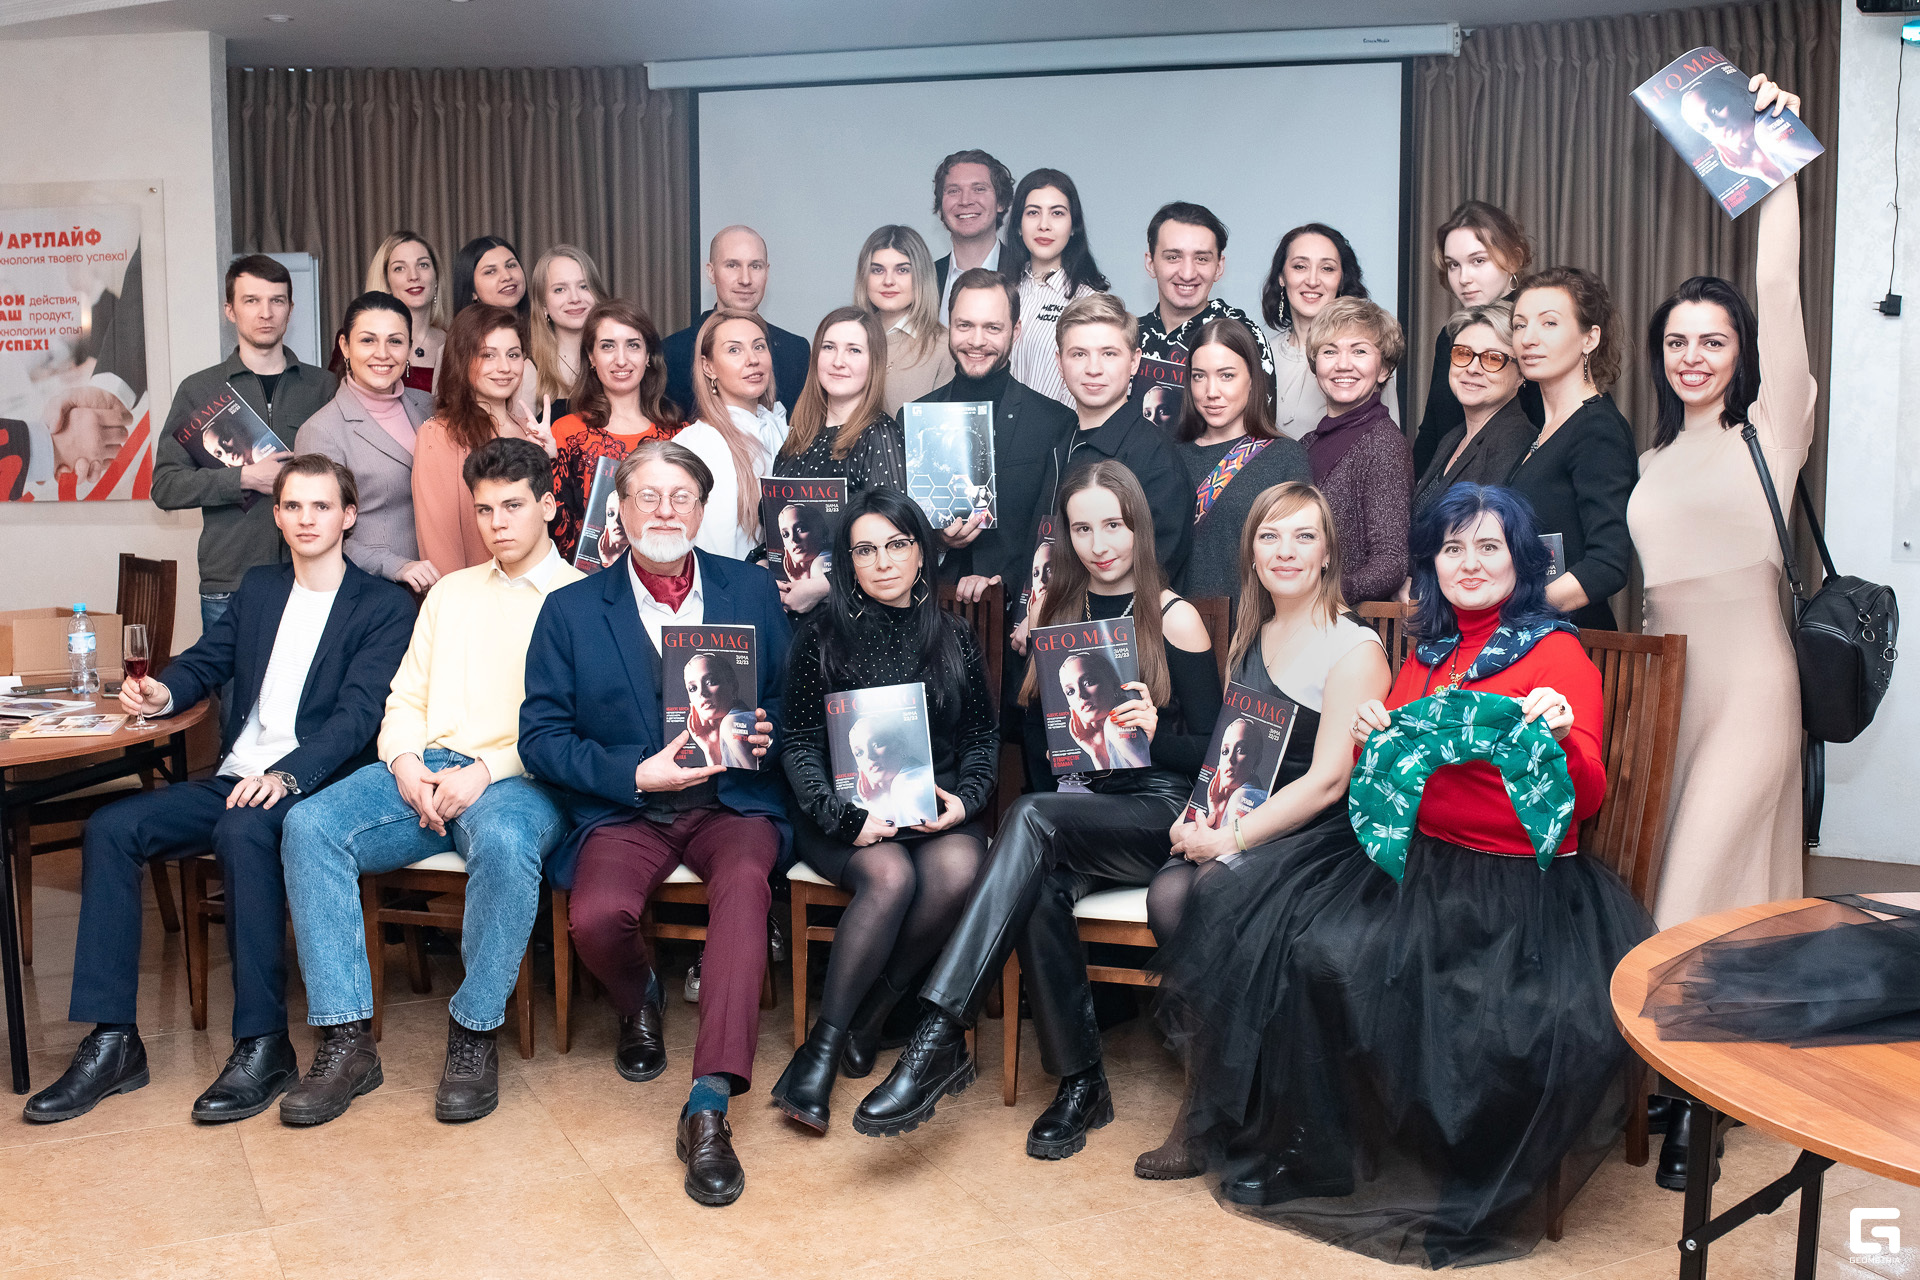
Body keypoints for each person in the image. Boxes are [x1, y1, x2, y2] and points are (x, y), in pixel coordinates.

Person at [1152, 483, 1651, 1266]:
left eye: (1488, 547)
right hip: (1421, 863)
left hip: (1515, 884)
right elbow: (1389, 778)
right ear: (1432, 566)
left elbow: (1584, 797)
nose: (1469, 563)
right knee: (1311, 949)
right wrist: (1372, 735)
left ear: (1521, 560)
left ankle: (1443, 1174)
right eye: (1452, 549)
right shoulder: (1427, 654)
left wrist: (1558, 739)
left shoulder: (1556, 653)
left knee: (1416, 979)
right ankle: (1319, 1152)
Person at [24, 456, 412, 1126]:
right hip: (236, 777)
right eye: (294, 506)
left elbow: (356, 719)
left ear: (348, 516)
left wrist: (285, 776)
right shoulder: (260, 588)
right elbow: (207, 660)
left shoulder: (382, 606)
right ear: (277, 515)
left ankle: (264, 1043)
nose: (307, 519)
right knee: (111, 827)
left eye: (322, 506)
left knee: (243, 828)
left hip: (313, 786)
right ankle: (114, 1042)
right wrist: (163, 691)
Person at [855, 461, 1219, 1163]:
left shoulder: (1174, 616)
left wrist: (1154, 735)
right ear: (1064, 537)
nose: (1099, 544)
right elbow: (1037, 736)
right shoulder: (1058, 612)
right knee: (1038, 883)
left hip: (1161, 811)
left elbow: (1213, 752)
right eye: (1082, 529)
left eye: (1113, 525)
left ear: (1139, 526)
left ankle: (936, 1037)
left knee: (1028, 819)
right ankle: (1082, 1083)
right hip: (1082, 814)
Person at [276, 438, 583, 1126]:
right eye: (485, 509)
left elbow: (572, 727)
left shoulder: (581, 600)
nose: (497, 523)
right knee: (308, 825)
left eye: (513, 506)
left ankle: (474, 1033)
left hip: (522, 777)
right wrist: (404, 762)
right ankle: (347, 1040)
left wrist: (487, 771)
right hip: (427, 767)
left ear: (548, 506)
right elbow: (406, 695)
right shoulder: (450, 592)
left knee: (505, 844)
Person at [520, 439, 791, 1208]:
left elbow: (788, 701)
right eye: (648, 496)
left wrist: (765, 731)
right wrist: (636, 773)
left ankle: (708, 1103)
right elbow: (540, 738)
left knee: (746, 887)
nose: (665, 511)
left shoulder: (750, 590)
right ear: (620, 510)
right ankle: (639, 994)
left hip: (732, 804)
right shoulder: (570, 610)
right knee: (595, 917)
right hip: (629, 806)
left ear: (701, 512)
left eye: (681, 498)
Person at [1133, 480, 1390, 1177]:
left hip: (1323, 836)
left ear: (1328, 553)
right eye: (1270, 536)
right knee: (1168, 892)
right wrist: (1200, 814)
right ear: (1251, 550)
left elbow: (1329, 781)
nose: (1286, 551)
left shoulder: (1355, 648)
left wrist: (1230, 840)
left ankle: (1207, 1115)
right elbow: (1235, 754)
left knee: (1213, 891)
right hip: (1252, 812)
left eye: (1304, 536)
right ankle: (1226, 1083)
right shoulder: (1257, 630)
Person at [1632, 84, 1815, 937]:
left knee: (1690, 901)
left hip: (1751, 692)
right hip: (1671, 694)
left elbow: (1776, 282)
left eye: (1714, 340)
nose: (1693, 357)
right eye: (1677, 342)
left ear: (1743, 352)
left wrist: (1776, 161)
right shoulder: (1651, 460)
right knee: (1672, 888)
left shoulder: (1773, 433)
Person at [770, 488, 997, 1130]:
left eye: (897, 544)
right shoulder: (819, 637)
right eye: (865, 550)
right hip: (838, 815)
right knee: (891, 876)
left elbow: (982, 737)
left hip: (931, 809)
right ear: (848, 562)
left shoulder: (954, 636)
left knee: (959, 870)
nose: (883, 561)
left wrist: (965, 802)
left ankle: (873, 1013)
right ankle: (822, 1049)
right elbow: (798, 744)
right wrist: (844, 818)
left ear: (922, 553)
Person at [153, 254, 334, 634]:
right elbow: (165, 487)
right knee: (232, 678)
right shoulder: (199, 389)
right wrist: (243, 478)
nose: (265, 313)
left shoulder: (323, 387)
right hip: (231, 582)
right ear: (230, 311)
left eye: (277, 300)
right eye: (251, 300)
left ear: (290, 309)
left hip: (314, 577)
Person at [916, 270, 1076, 632]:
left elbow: (1055, 533)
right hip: (930, 621)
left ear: (1015, 331)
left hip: (1014, 623)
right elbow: (902, 529)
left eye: (992, 327)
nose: (977, 341)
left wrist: (1005, 583)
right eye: (965, 325)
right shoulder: (917, 417)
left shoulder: (1053, 422)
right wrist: (938, 541)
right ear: (950, 326)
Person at [1507, 267, 1637, 629]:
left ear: (1589, 338)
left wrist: (1511, 615)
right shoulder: (1545, 427)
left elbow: (1607, 564)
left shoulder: (1597, 428)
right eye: (1519, 325)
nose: (1528, 339)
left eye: (1549, 323)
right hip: (1534, 634)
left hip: (1572, 639)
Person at [296, 291, 439, 591]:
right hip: (373, 588)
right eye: (368, 340)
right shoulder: (321, 430)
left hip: (439, 582)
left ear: (409, 347)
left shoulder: (428, 406)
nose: (382, 353)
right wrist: (395, 566)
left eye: (395, 341)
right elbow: (320, 529)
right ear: (345, 346)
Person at [774, 307, 908, 607]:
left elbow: (893, 543)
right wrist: (761, 566)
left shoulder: (879, 434)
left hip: (851, 615)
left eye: (854, 350)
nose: (838, 361)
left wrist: (824, 586)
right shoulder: (799, 435)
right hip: (789, 613)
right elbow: (773, 530)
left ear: (875, 363)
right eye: (829, 347)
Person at [1174, 317, 1311, 609]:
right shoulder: (1170, 457)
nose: (1211, 391)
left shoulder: (1285, 457)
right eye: (1199, 376)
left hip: (1256, 623)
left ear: (1252, 380)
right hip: (1178, 623)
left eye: (1226, 375)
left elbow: (1301, 557)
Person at [411, 304, 557, 577]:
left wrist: (550, 459)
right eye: (488, 355)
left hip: (537, 588)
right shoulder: (440, 434)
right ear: (462, 360)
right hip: (477, 593)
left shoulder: (531, 430)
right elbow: (440, 543)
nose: (505, 367)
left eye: (513, 354)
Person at [1411, 202, 1545, 474]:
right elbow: (1434, 429)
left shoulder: (1536, 332)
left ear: (1513, 259)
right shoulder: (1451, 335)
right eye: (1453, 265)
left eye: (1478, 261)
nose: (1463, 278)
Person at [1298, 298, 1413, 603]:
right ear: (1315, 365)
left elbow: (1390, 563)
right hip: (1301, 616)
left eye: (1359, 351)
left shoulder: (1384, 444)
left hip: (1343, 621)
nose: (1343, 364)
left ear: (1384, 369)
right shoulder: (1305, 445)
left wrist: (1320, 595)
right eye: (1330, 351)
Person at [550, 300, 680, 561]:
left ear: (648, 356)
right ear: (591, 357)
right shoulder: (565, 432)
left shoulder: (678, 434)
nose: (621, 360)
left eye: (633, 345)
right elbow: (554, 529)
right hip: (584, 578)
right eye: (608, 346)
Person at [1130, 203, 1273, 414]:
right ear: (1150, 263)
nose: (1187, 274)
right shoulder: (1128, 335)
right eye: (1173, 257)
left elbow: (1260, 428)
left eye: (1202, 259)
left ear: (1219, 267)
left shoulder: (1243, 335)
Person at [1261, 223, 1399, 439]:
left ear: (1341, 279)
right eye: (1300, 266)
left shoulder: (1366, 358)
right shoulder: (1260, 355)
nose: (1312, 281)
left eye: (1327, 268)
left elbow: (1386, 440)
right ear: (1281, 277)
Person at [677, 308, 790, 560]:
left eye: (759, 346)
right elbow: (709, 554)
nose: (752, 359)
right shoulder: (697, 445)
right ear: (708, 367)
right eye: (734, 350)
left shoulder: (781, 430)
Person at [1410, 301, 1538, 521]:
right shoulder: (1453, 438)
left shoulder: (1517, 443)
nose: (1472, 368)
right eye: (1463, 353)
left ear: (1520, 375)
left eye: (1493, 358)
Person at [662, 226, 810, 416]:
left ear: (766, 272)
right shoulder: (672, 352)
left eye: (755, 266)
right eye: (732, 265)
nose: (745, 279)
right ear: (711, 273)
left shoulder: (796, 351)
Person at [1002, 168, 1108, 406]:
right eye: (1033, 212)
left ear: (1073, 227)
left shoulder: (1090, 302)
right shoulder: (1002, 292)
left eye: (1057, 213)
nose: (1044, 225)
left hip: (1062, 427)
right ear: (1018, 225)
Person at [853, 225, 954, 411]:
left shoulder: (944, 347)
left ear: (921, 276)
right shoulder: (846, 340)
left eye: (902, 270)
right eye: (877, 270)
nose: (888, 281)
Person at [353, 231, 448, 393]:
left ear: (436, 277)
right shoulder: (359, 340)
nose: (413, 276)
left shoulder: (456, 343)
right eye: (399, 268)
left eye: (423, 265)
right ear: (386, 282)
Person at [930, 149, 1015, 323]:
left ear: (1000, 202)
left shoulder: (1027, 275)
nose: (965, 200)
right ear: (941, 207)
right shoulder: (923, 279)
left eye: (979, 189)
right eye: (954, 191)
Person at [528, 244, 608, 417]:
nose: (575, 298)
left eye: (584, 286)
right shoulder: (530, 372)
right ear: (543, 305)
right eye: (560, 289)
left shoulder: (620, 361)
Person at [1055, 649, 1150, 770]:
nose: (1080, 695)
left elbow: (1145, 776)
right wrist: (1098, 754)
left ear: (1114, 683)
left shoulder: (1116, 723)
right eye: (1070, 691)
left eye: (1088, 682)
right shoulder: (1112, 727)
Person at [683, 652, 758, 769]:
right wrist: (711, 750)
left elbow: (752, 779)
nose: (702, 693)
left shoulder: (732, 723)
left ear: (733, 686)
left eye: (710, 682)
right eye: (693, 688)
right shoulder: (725, 731)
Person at [451, 234, 529, 319]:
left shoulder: (537, 322)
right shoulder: (468, 327)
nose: (507, 276)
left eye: (511, 266)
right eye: (490, 272)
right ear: (473, 292)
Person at [775, 502, 833, 583]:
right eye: (786, 534)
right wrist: (802, 581)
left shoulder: (821, 563)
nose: (793, 539)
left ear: (823, 532)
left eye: (801, 529)